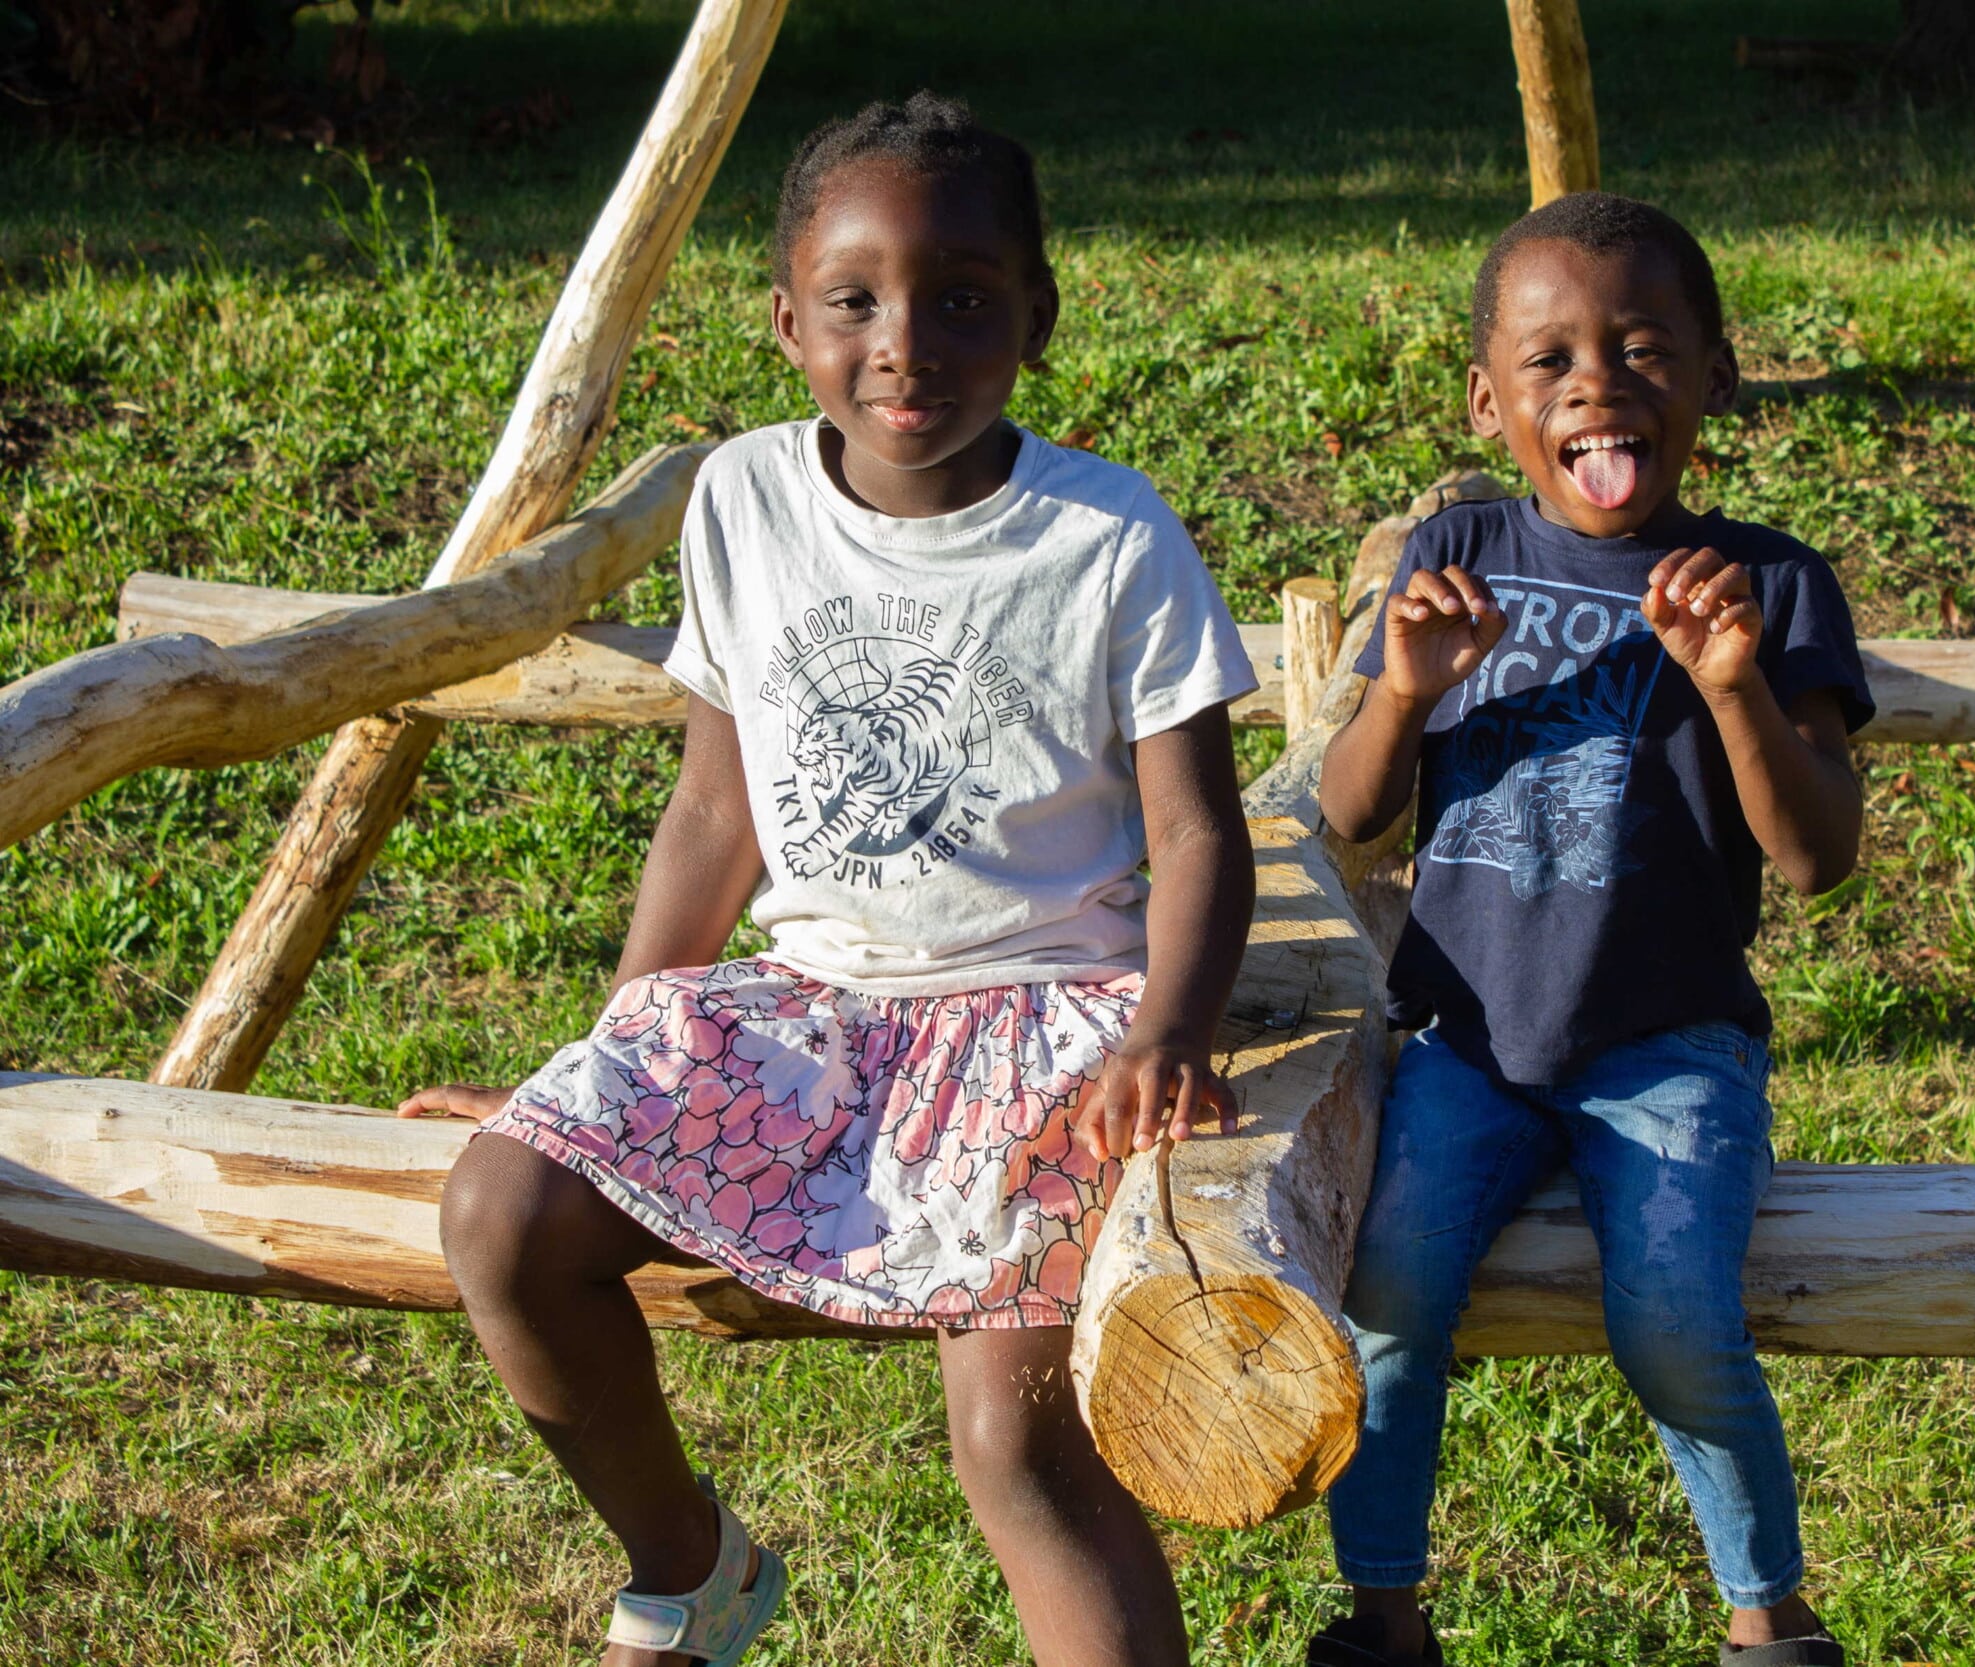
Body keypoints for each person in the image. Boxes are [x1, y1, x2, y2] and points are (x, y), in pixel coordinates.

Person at [398, 92, 1258, 1667]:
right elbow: (714, 810)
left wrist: (1170, 1031)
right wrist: (610, 1065)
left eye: (963, 299)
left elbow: (1200, 830)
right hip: (810, 1017)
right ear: (789, 320)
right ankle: (691, 1569)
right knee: (503, 1213)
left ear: (1038, 317)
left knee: (1014, 1441)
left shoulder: (1107, 538)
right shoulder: (745, 500)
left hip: (1040, 1033)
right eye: (855, 300)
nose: (905, 343)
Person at [1306, 191, 1872, 1667]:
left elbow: (1817, 858)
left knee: (1675, 1318)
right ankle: (1383, 1618)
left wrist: (1734, 684)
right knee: (1388, 1295)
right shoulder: (1460, 549)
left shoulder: (1770, 582)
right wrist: (1405, 689)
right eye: (1549, 360)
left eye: (1642, 350)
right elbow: (1356, 814)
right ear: (1487, 399)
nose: (1596, 387)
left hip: (1670, 1047)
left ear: (1715, 376)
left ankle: (1769, 1618)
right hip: (1468, 1043)